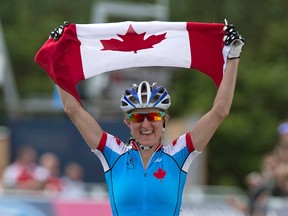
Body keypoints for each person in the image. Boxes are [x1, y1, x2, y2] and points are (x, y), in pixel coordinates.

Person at [55, 23, 244, 215]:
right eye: (137, 117)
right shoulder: (113, 153)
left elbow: (219, 112)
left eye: (153, 116)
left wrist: (233, 57)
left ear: (164, 120)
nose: (145, 124)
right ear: (128, 123)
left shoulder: (178, 154)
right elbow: (73, 110)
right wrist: (58, 55)